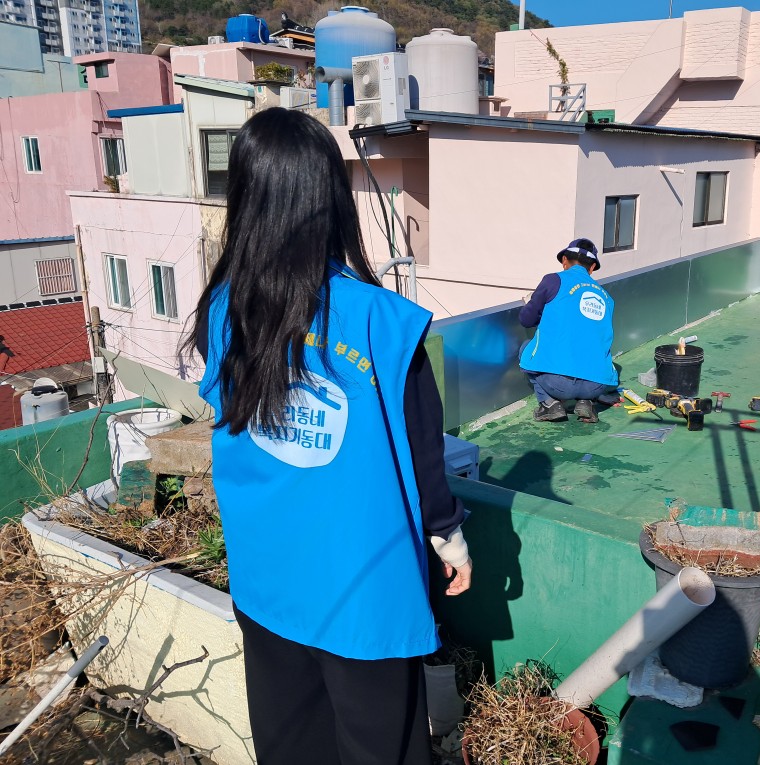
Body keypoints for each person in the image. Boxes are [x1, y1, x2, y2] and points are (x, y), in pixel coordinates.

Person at [186, 107, 471, 765]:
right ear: (331, 199)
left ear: (245, 198)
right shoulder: (384, 323)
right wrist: (450, 536)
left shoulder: (223, 310)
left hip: (266, 578)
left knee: (290, 745)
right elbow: (424, 459)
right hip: (362, 589)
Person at [519, 238, 619, 423]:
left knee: (526, 347)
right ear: (592, 267)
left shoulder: (553, 280)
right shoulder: (607, 298)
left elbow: (526, 320)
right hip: (596, 386)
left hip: (558, 384)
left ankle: (549, 404)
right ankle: (586, 402)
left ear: (564, 260)